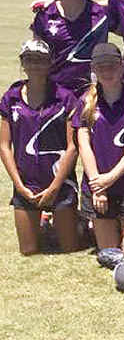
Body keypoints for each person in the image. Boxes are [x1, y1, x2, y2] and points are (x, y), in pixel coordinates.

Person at [0, 39, 79, 255]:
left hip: (61, 183)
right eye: (29, 59)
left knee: (69, 248)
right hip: (27, 183)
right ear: (22, 63)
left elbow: (73, 147)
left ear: (50, 63)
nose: (34, 64)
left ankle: (78, 222)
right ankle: (45, 223)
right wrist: (19, 186)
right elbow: (4, 146)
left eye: (40, 60)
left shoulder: (65, 97)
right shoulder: (11, 97)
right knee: (29, 251)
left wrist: (54, 188)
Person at [73, 43, 124, 251]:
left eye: (112, 65)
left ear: (122, 66)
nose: (107, 71)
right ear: (93, 69)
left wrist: (110, 177)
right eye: (101, 66)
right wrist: (98, 187)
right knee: (109, 253)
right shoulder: (85, 102)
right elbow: (84, 145)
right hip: (98, 186)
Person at [29, 0, 109, 94]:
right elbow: (37, 58)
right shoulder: (45, 15)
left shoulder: (101, 15)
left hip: (91, 93)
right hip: (54, 94)